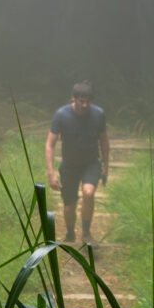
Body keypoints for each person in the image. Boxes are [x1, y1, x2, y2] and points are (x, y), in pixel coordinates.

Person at [45, 80, 110, 244]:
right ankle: (70, 233)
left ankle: (86, 233)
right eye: (82, 101)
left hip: (91, 163)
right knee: (69, 205)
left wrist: (106, 166)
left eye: (88, 101)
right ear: (73, 98)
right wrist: (51, 174)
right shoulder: (61, 115)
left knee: (88, 193)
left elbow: (104, 141)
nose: (85, 105)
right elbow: (50, 144)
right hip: (69, 166)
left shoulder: (98, 114)